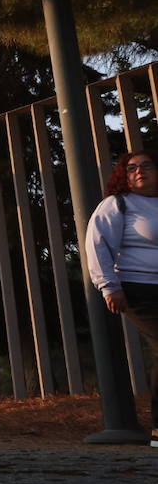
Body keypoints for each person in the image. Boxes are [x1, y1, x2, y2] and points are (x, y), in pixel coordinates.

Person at [85, 149, 158, 449]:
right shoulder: (118, 205)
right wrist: (108, 286)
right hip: (138, 289)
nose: (139, 171)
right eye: (131, 168)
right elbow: (97, 244)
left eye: (146, 165)